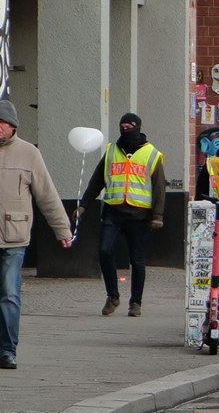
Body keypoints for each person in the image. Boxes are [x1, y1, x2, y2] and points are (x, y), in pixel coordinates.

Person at [0, 105, 75, 370]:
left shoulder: (29, 154)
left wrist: (62, 230)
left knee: (9, 294)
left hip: (14, 237)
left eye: (3, 123)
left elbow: (47, 195)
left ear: (13, 126)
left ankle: (7, 351)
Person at [87, 112, 166, 317]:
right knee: (104, 251)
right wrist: (84, 204)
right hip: (113, 211)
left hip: (139, 215)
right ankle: (112, 295)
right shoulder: (112, 151)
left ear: (138, 127)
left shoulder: (152, 154)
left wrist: (157, 215)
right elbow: (97, 180)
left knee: (137, 260)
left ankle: (136, 302)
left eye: (130, 125)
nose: (126, 129)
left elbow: (159, 188)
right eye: (123, 125)